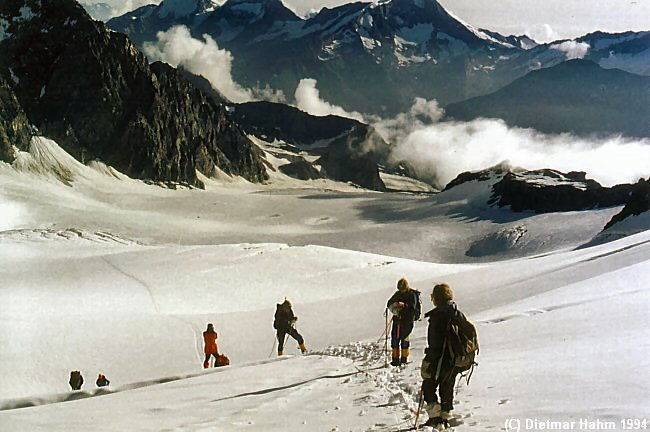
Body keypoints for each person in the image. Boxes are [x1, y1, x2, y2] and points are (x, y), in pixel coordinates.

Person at [421, 283, 466, 427]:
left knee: (428, 385)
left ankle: (435, 417)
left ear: (436, 298)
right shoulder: (457, 313)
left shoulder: (437, 316)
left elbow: (435, 343)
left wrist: (428, 360)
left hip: (440, 359)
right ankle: (445, 415)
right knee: (447, 387)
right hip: (456, 359)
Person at [386, 277, 420, 366]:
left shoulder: (412, 295)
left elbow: (412, 307)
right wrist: (394, 305)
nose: (401, 290)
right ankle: (395, 359)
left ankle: (404, 359)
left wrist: (403, 305)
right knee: (395, 339)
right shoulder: (398, 294)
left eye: (402, 288)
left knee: (404, 339)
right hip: (397, 320)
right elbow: (389, 302)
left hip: (407, 321)